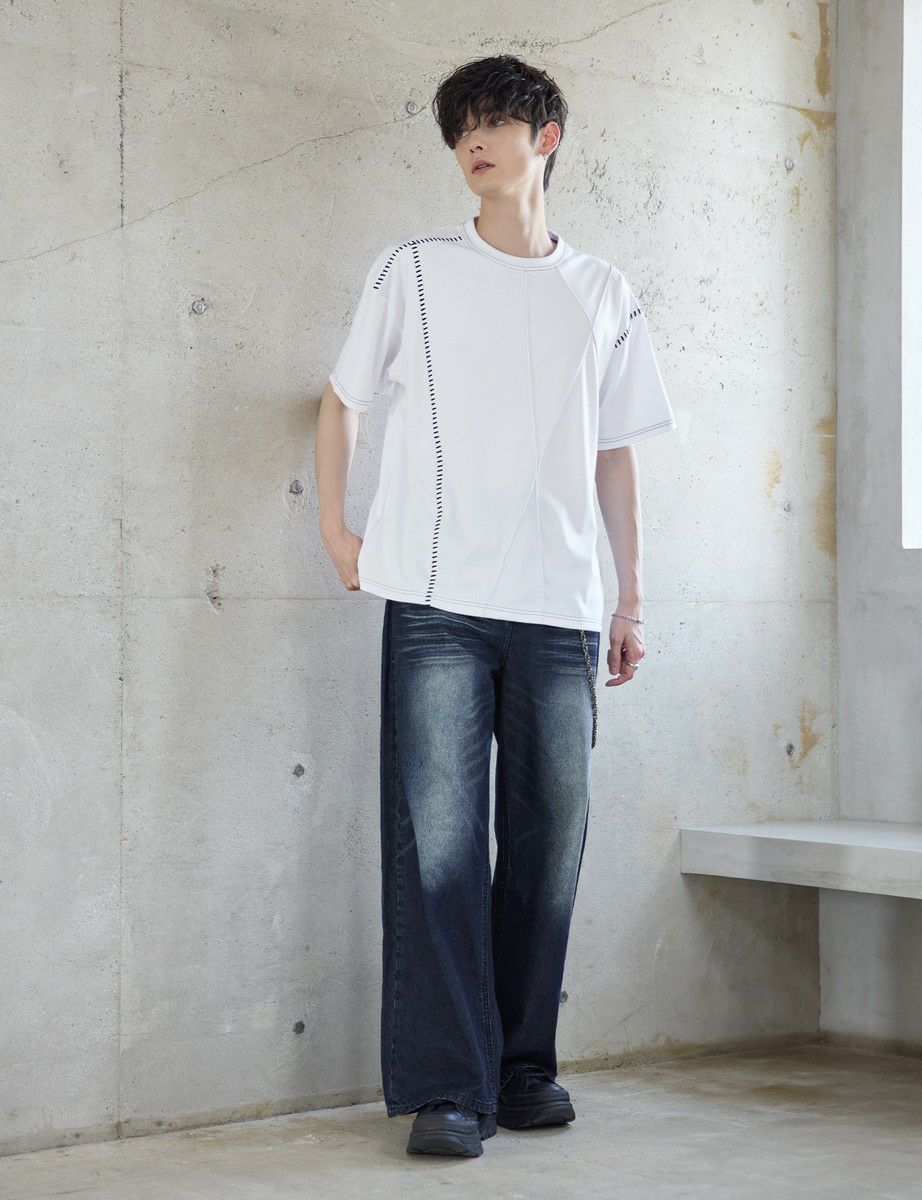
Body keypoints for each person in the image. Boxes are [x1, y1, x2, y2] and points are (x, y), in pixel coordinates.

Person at [315, 53, 677, 1159]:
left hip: (561, 605)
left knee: (549, 840)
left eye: (492, 121)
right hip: (436, 598)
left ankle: (522, 1069)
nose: (472, 140)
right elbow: (342, 402)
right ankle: (448, 1087)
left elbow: (615, 456)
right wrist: (336, 530)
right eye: (459, 127)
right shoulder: (414, 270)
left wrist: (630, 597)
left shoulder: (603, 291)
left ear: (545, 137)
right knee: (438, 848)